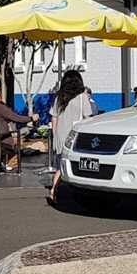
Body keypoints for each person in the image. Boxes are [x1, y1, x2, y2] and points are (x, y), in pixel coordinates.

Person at [48, 70, 93, 204]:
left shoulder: (59, 97)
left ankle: (60, 189)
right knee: (65, 166)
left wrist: (55, 134)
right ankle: (54, 190)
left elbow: (54, 117)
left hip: (60, 135)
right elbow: (88, 117)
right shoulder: (82, 97)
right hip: (74, 136)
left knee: (61, 163)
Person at [0, 84, 38, 170]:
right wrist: (31, 118)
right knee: (18, 140)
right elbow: (17, 118)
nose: (0, 98)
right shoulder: (0, 107)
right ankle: (6, 163)